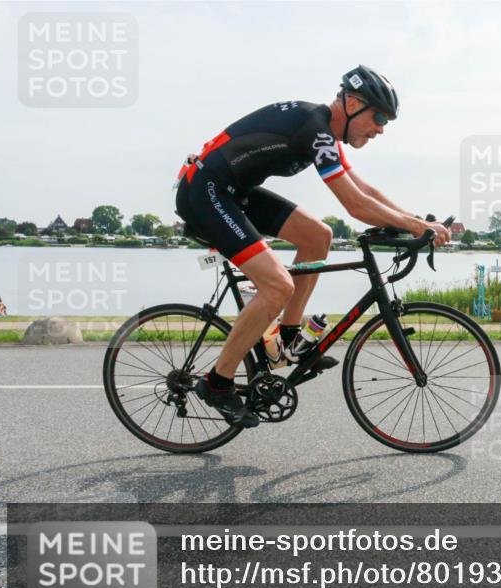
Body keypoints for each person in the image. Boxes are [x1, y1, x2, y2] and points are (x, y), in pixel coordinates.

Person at [174, 65, 451, 427]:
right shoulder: (315, 128)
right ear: (352, 103)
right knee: (278, 285)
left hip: (234, 192)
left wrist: (415, 220)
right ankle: (217, 383)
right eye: (379, 116)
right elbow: (355, 205)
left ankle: (289, 337)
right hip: (205, 192)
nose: (381, 128)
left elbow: (365, 190)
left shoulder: (325, 133)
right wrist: (416, 226)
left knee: (319, 237)